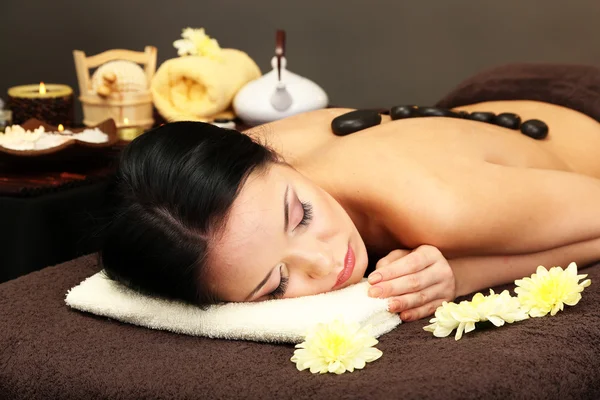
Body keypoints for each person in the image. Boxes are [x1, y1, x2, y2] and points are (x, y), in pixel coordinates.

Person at [101, 65, 600, 322]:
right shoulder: (238, 165)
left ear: (273, 157)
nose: (324, 262)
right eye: (276, 284)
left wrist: (461, 273)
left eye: (301, 215)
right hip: (482, 105)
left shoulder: (440, 206)